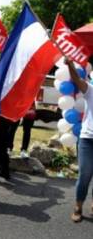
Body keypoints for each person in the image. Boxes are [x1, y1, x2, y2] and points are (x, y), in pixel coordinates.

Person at [66, 60, 93, 222]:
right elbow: (77, 81)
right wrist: (70, 66)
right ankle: (78, 205)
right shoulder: (91, 90)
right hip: (88, 140)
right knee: (85, 175)